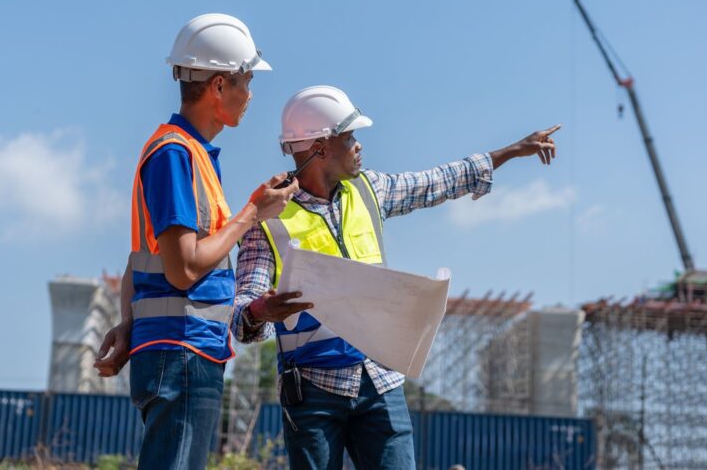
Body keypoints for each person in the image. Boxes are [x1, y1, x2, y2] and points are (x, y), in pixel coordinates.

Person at [233, 85, 560, 470]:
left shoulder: (370, 190)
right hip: (313, 391)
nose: (359, 146)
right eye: (350, 136)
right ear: (320, 147)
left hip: (380, 381)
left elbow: (437, 181)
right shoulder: (267, 218)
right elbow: (241, 318)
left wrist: (508, 152)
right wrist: (261, 310)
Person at [94, 13, 299, 470]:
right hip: (181, 351)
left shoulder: (192, 155)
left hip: (183, 349)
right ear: (220, 86)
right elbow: (182, 269)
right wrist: (252, 213)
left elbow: (139, 264)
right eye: (247, 81)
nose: (250, 95)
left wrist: (129, 325)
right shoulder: (174, 154)